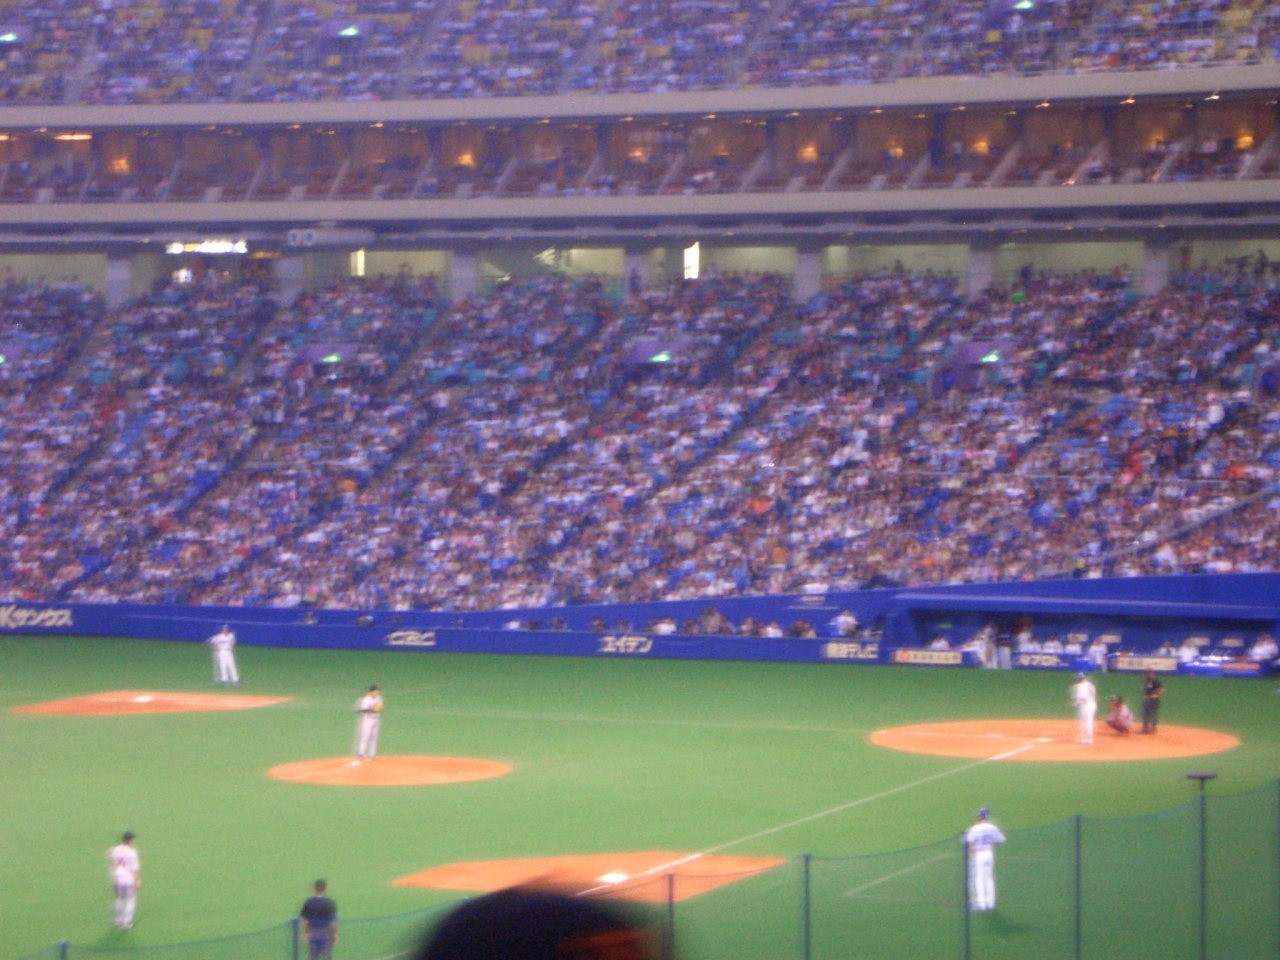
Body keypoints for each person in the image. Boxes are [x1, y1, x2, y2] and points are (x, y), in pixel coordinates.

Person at [963, 809, 1006, 912]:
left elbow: (967, 840)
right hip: (989, 853)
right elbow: (1001, 840)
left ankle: (981, 903)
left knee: (979, 879)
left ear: (980, 817)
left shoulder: (976, 828)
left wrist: (972, 849)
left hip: (979, 854)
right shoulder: (992, 827)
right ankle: (990, 903)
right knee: (989, 878)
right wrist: (991, 844)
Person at [107, 831, 140, 930]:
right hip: (128, 879)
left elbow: (112, 865)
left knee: (120, 899)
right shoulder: (132, 852)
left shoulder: (115, 850)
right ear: (131, 840)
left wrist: (114, 880)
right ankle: (127, 923)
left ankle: (118, 921)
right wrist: (137, 880)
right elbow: (134, 869)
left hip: (118, 878)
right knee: (130, 900)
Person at [300, 880, 339, 960]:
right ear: (325, 889)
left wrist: (307, 933)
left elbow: (305, 920)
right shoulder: (329, 902)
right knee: (326, 956)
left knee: (313, 956)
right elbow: (333, 922)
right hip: (326, 933)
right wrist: (334, 934)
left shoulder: (309, 902)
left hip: (313, 933)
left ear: (314, 889)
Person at [355, 684, 383, 760]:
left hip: (376, 719)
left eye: (378, 691)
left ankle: (372, 755)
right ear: (372, 691)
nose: (377, 693)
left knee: (374, 737)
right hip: (368, 720)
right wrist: (373, 709)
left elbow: (381, 708)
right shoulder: (366, 699)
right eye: (376, 691)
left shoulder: (379, 698)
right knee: (365, 736)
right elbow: (364, 710)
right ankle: (361, 754)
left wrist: (377, 709)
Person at [1070, 672, 1097, 745]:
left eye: (1077, 679)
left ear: (1080, 679)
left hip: (1087, 706)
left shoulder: (1081, 686)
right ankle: (1087, 738)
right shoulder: (1091, 685)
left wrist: (1076, 703)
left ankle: (1089, 740)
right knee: (1088, 722)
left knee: (1087, 723)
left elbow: (1081, 698)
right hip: (1092, 704)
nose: (1076, 680)